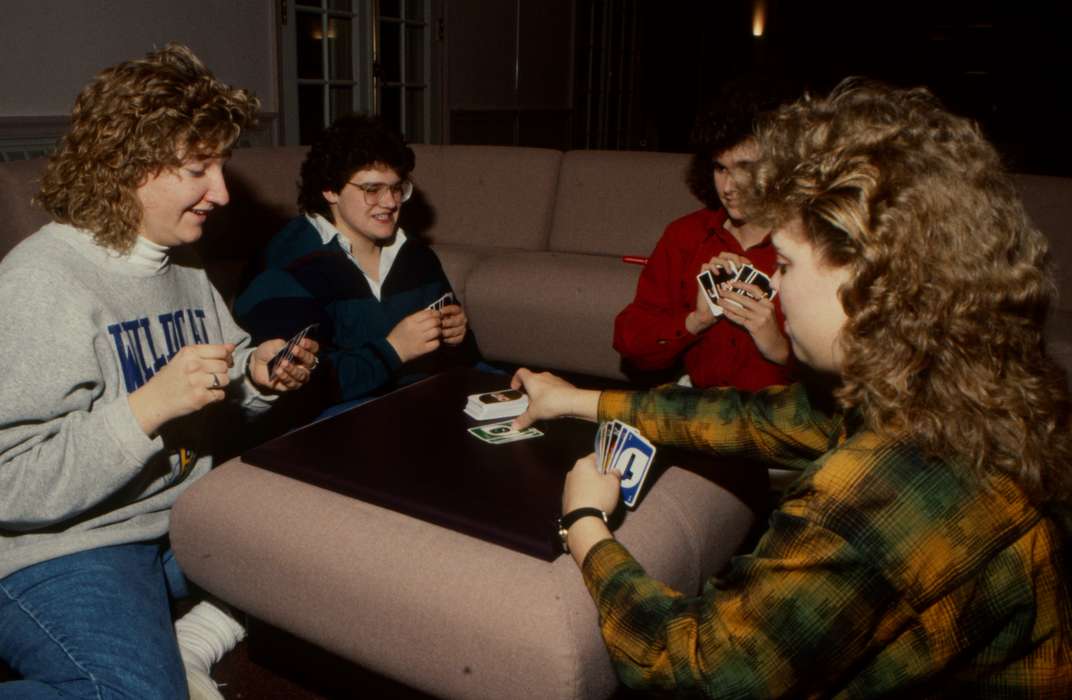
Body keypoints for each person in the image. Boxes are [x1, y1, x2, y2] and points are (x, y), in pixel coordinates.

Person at [510, 79, 1072, 696]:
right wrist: (572, 400)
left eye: (784, 262)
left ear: (866, 273)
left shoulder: (867, 500)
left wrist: (586, 524)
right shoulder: (954, 388)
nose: (773, 279)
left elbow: (697, 667)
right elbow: (752, 418)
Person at [0, 44, 319, 699]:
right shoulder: (40, 282)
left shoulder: (183, 266)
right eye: (198, 168)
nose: (222, 193)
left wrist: (257, 377)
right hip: (67, 548)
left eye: (221, 167)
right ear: (127, 166)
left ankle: (188, 645)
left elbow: (219, 394)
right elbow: (7, 484)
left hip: (179, 519)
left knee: (334, 544)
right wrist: (146, 407)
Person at [235, 113, 480, 416]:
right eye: (372, 189)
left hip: (421, 406)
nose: (390, 202)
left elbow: (464, 361)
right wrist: (394, 350)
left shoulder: (416, 255)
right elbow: (294, 391)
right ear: (330, 189)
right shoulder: (287, 265)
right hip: (328, 425)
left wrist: (457, 336)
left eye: (396, 188)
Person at [613, 81, 793, 391]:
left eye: (745, 169)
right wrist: (694, 321)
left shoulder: (809, 244)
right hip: (698, 411)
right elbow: (628, 340)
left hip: (780, 420)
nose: (728, 187)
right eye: (720, 169)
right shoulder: (685, 235)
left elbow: (853, 371)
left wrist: (780, 349)